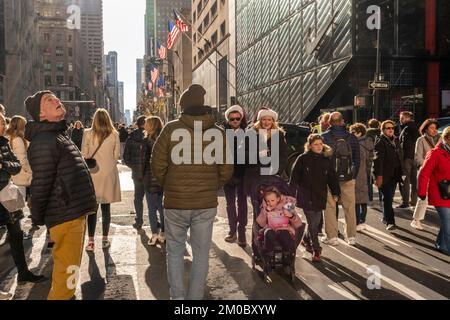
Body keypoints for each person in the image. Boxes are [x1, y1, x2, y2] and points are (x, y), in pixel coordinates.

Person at [151, 84, 233, 300]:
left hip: (175, 202)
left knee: (175, 253)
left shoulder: (170, 129)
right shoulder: (217, 132)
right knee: (201, 254)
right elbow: (226, 168)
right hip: (205, 203)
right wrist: (212, 186)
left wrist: (169, 184)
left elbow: (156, 164)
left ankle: (177, 299)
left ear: (183, 107)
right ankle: (194, 300)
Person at [25, 90, 97, 300]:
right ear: (41, 115)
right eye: (49, 100)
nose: (56, 100)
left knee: (69, 272)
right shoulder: (45, 141)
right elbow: (41, 184)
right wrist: (37, 217)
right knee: (67, 277)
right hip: (66, 215)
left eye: (55, 97)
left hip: (71, 213)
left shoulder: (56, 135)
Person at [0, 113, 46, 285]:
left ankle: (23, 272)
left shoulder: (4, 142)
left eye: (4, 123)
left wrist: (3, 165)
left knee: (16, 235)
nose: (4, 126)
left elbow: (16, 165)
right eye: (1, 123)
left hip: (7, 195)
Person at [290, 134, 340, 262]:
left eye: (320, 144)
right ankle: (316, 249)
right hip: (305, 196)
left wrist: (335, 192)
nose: (318, 147)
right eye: (315, 144)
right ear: (310, 145)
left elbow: (332, 177)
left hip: (320, 195)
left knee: (316, 224)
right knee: (313, 224)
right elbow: (294, 178)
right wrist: (290, 196)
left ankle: (306, 239)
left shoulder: (326, 159)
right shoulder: (302, 158)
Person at [81, 108, 121, 251]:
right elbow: (117, 155)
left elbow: (83, 154)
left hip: (93, 173)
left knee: (92, 209)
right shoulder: (114, 134)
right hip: (109, 173)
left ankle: (91, 241)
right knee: (106, 208)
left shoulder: (87, 133)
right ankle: (105, 239)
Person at [321, 112, 360, 246]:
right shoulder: (352, 137)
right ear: (342, 121)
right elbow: (357, 158)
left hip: (329, 179)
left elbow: (321, 158)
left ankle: (332, 237)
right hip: (348, 177)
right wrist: (353, 175)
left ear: (329, 123)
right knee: (349, 207)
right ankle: (352, 236)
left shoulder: (324, 137)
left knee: (330, 207)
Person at [243, 108, 289, 219]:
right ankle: (257, 235)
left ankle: (269, 235)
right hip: (255, 176)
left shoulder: (278, 134)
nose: (266, 122)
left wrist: (277, 169)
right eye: (264, 119)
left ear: (273, 121)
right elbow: (243, 154)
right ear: (260, 120)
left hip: (271, 177)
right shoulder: (251, 133)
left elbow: (283, 156)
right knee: (258, 210)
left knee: (272, 210)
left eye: (269, 120)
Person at [418, 127, 450, 255]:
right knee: (448, 220)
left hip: (449, 192)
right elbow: (424, 173)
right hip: (438, 192)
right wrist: (421, 192)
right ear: (446, 138)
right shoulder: (435, 153)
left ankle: (441, 244)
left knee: (447, 220)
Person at [223, 105, 248, 246]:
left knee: (242, 203)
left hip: (243, 174)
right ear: (228, 119)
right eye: (232, 118)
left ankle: (242, 231)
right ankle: (232, 231)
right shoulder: (222, 133)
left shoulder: (248, 132)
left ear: (241, 118)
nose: (235, 120)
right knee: (230, 204)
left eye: (238, 118)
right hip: (227, 174)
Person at [411, 119, 441, 230]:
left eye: (435, 128)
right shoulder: (421, 140)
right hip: (426, 172)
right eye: (431, 128)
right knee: (423, 198)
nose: (434, 130)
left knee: (442, 196)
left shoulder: (441, 139)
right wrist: (430, 165)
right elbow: (417, 158)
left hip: (438, 173)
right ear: (426, 129)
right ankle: (416, 220)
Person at [374, 120, 403, 231]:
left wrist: (402, 172)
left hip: (394, 175)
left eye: (392, 128)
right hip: (384, 175)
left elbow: (400, 157)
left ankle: (386, 217)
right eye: (388, 128)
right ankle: (390, 222)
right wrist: (379, 176)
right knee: (387, 198)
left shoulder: (395, 140)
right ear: (383, 130)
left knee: (388, 198)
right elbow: (377, 161)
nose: (391, 130)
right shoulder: (380, 142)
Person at [256, 187, 302, 254]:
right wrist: (265, 211)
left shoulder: (288, 205)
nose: (270, 203)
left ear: (277, 199)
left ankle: (287, 252)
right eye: (267, 201)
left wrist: (291, 216)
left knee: (284, 234)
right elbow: (261, 224)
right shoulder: (266, 207)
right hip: (270, 229)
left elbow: (298, 224)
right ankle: (269, 252)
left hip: (285, 229)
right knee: (268, 233)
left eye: (272, 200)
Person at [143, 116, 165, 246]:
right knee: (162, 208)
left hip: (150, 179)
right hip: (162, 178)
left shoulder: (146, 142)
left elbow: (143, 163)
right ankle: (163, 233)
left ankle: (154, 234)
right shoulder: (164, 140)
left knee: (151, 209)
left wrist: (142, 177)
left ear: (151, 126)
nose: (144, 125)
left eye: (146, 123)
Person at [123, 116, 147, 230]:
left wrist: (134, 167)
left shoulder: (131, 137)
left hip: (137, 173)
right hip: (150, 173)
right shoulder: (152, 136)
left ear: (137, 124)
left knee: (138, 197)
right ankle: (156, 220)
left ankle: (139, 220)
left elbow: (125, 158)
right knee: (154, 198)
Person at [350, 123, 374, 231]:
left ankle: (358, 221)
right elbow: (369, 161)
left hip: (357, 174)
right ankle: (362, 220)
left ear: (360, 133)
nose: (351, 134)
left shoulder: (358, 145)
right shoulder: (368, 143)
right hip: (365, 173)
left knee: (356, 199)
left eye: (353, 132)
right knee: (363, 199)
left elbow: (356, 161)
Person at [398, 111, 420, 209]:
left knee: (405, 180)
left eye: (402, 118)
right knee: (414, 181)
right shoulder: (417, 128)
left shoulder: (407, 129)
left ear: (407, 118)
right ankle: (414, 201)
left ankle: (405, 202)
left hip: (407, 157)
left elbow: (403, 145)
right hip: (415, 157)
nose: (400, 120)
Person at [365, 119, 381, 203]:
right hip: (379, 156)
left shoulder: (366, 133)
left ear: (369, 125)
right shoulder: (381, 132)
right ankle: (381, 197)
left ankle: (370, 197)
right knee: (379, 175)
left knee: (369, 179)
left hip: (369, 156)